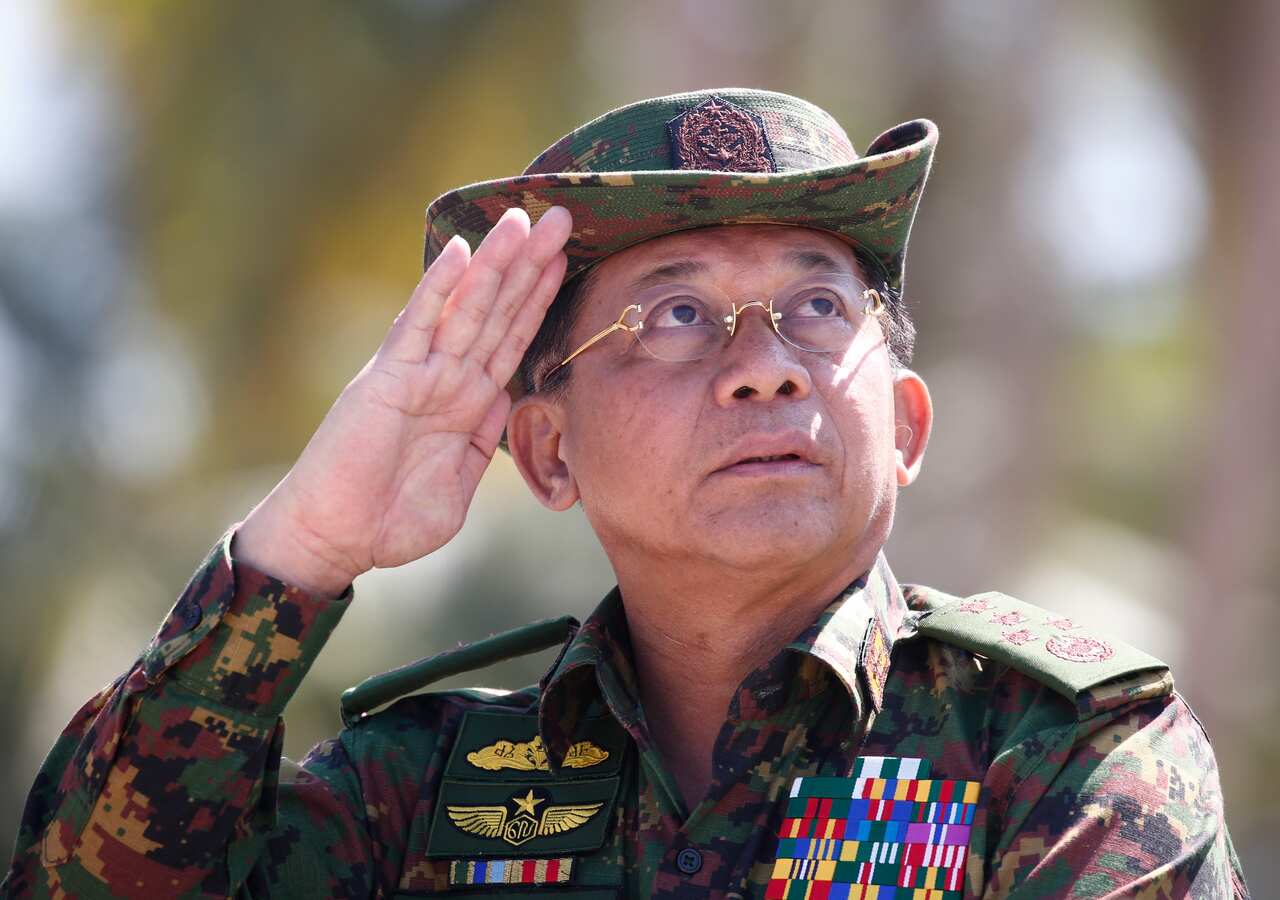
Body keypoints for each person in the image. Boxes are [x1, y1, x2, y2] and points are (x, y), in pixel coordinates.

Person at [3, 89, 1248, 899]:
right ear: (545, 454)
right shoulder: (421, 789)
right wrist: (303, 547)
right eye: (676, 317)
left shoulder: (1063, 753)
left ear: (905, 424)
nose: (763, 366)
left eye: (817, 306)